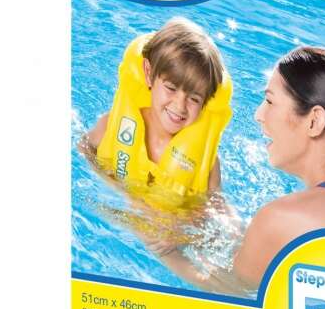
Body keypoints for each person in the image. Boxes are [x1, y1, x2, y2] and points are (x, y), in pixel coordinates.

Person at [149, 46, 325, 295]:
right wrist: (215, 200)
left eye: (270, 101)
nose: (258, 115)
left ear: (314, 121)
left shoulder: (282, 216)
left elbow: (232, 290)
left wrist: (164, 249)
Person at [79, 17, 232, 213]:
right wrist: (121, 192)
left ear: (205, 101)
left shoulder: (207, 162)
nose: (180, 106)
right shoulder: (111, 126)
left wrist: (182, 223)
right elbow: (84, 148)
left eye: (194, 99)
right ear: (148, 73)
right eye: (171, 88)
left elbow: (217, 210)